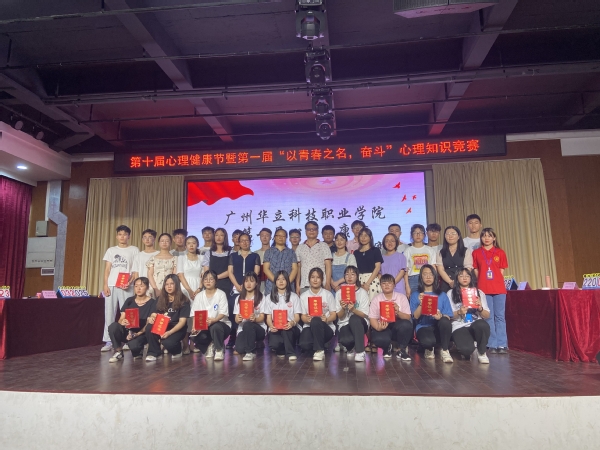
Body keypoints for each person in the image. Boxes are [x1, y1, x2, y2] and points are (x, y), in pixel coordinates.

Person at [101, 225, 139, 352]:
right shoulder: (111, 250)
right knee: (109, 312)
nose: (122, 237)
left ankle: (129, 339)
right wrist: (105, 285)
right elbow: (107, 269)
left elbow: (135, 270)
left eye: (125, 234)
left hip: (127, 286)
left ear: (129, 236)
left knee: (129, 313)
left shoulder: (134, 250)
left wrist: (130, 282)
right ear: (117, 236)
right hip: (112, 285)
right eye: (120, 234)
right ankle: (108, 340)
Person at [472, 227, 509, 354]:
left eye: (489, 236)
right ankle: (492, 343)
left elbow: (501, 271)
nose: (486, 238)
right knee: (488, 316)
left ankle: (502, 344)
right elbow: (476, 270)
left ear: (494, 238)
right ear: (481, 238)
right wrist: (483, 281)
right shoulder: (476, 252)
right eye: (484, 236)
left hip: (499, 288)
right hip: (484, 288)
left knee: (500, 316)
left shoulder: (500, 252)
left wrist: (495, 281)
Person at [409, 265, 454, 363]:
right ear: (421, 277)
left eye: (431, 274)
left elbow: (448, 316)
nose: (428, 277)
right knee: (428, 342)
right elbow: (415, 316)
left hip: (438, 327)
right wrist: (421, 304)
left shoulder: (442, 295)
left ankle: (445, 350)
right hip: (423, 327)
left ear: (435, 277)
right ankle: (429, 348)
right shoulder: (415, 295)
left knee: (445, 321)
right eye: (425, 274)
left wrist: (440, 316)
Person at [107, 277, 157, 362]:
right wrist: (122, 322)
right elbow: (121, 319)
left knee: (134, 346)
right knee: (113, 326)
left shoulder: (153, 302)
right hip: (129, 332)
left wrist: (137, 334)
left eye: (141, 286)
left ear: (147, 287)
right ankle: (119, 351)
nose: (138, 288)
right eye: (136, 286)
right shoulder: (129, 300)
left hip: (142, 333)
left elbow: (150, 323)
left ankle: (139, 350)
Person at [448, 268, 491, 363]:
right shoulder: (451, 293)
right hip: (459, 325)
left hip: (475, 324)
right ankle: (466, 344)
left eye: (467, 276)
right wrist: (459, 312)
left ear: (471, 278)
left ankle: (482, 352)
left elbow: (487, 315)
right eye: (461, 276)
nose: (465, 278)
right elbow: (449, 315)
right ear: (457, 278)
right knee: (466, 350)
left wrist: (480, 308)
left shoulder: (479, 293)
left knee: (482, 325)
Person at [202, 228, 235, 348]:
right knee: (211, 311)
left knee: (227, 311)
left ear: (225, 237)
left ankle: (231, 337)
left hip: (226, 284)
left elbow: (230, 270)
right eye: (217, 235)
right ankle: (212, 339)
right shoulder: (208, 253)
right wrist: (211, 280)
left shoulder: (230, 252)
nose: (219, 237)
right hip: (211, 285)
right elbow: (206, 271)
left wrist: (216, 277)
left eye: (222, 235)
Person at [144, 274, 190, 361]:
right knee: (149, 327)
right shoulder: (160, 299)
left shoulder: (184, 300)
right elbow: (154, 313)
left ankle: (177, 351)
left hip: (176, 328)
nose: (169, 286)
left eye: (172, 284)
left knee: (168, 343)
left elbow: (182, 322)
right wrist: (152, 318)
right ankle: (154, 353)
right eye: (166, 284)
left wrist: (169, 332)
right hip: (162, 326)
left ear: (177, 284)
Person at [369, 274, 413, 361]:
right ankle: (387, 347)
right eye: (384, 283)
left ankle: (401, 349)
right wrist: (378, 328)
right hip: (383, 327)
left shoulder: (401, 297)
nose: (386, 285)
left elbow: (407, 317)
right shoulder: (376, 299)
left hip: (397, 327)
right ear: (380, 285)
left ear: (394, 285)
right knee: (379, 339)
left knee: (406, 324)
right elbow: (372, 318)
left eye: (389, 283)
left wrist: (398, 312)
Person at [190, 270, 231, 361]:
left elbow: (223, 313)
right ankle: (209, 345)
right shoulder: (199, 296)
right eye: (205, 279)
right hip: (204, 326)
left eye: (211, 279)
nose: (208, 281)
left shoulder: (221, 294)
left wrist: (214, 320)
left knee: (215, 326)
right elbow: (194, 313)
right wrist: (194, 327)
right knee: (194, 335)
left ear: (216, 281)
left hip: (221, 325)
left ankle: (219, 349)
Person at [299, 268, 338, 361]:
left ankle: (319, 350)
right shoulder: (303, 296)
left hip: (326, 328)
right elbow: (302, 316)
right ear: (309, 279)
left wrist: (327, 319)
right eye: (313, 277)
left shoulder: (328, 294)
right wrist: (307, 319)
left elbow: (334, 315)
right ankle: (321, 343)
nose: (315, 280)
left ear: (322, 279)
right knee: (304, 345)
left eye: (318, 277)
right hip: (309, 327)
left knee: (316, 320)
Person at [263, 270, 301, 360]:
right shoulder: (268, 298)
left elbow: (297, 316)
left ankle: (290, 353)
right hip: (275, 327)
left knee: (285, 330)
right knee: (274, 344)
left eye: (283, 279)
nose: (281, 281)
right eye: (278, 279)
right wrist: (271, 326)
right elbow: (268, 318)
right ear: (275, 282)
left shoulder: (294, 297)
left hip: (291, 327)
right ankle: (282, 349)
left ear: (287, 281)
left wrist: (292, 323)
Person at [335, 266, 369, 362]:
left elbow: (364, 314)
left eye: (352, 274)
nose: (349, 277)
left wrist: (353, 310)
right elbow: (339, 316)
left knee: (354, 318)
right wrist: (343, 308)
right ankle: (350, 347)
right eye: (347, 274)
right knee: (345, 340)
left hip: (360, 322)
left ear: (357, 276)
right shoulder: (339, 293)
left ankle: (360, 352)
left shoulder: (362, 292)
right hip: (344, 323)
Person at [177, 235, 203, 354]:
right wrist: (189, 290)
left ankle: (193, 344)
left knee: (196, 316)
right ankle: (185, 344)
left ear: (197, 244)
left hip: (199, 288)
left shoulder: (202, 257)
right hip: (185, 289)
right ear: (185, 245)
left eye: (194, 243)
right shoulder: (181, 258)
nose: (191, 245)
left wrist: (199, 288)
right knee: (186, 316)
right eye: (188, 243)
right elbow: (180, 275)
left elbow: (204, 275)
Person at [233, 272, 266, 361]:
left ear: (256, 283)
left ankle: (250, 352)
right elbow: (236, 319)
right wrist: (238, 319)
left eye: (251, 281)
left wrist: (255, 319)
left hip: (258, 328)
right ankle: (255, 344)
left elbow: (262, 317)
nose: (248, 284)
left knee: (248, 324)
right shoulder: (239, 298)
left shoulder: (261, 297)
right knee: (239, 349)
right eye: (246, 281)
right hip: (243, 329)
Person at [295, 221, 332, 295]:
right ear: (305, 231)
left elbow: (328, 266)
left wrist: (327, 283)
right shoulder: (300, 247)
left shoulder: (324, 246)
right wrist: (297, 285)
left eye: (314, 229)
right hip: (304, 285)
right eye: (309, 229)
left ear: (317, 231)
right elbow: (298, 268)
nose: (311, 231)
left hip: (321, 284)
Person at [436, 226, 473, 293]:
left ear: (458, 236)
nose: (450, 236)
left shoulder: (465, 251)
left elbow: (468, 267)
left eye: (453, 233)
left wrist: (460, 281)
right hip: (446, 282)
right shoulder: (440, 252)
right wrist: (450, 282)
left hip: (463, 282)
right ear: (445, 237)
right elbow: (440, 270)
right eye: (447, 234)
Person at [403, 224, 437, 297]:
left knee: (428, 300)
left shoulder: (430, 250)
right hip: (413, 279)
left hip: (428, 277)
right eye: (415, 232)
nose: (418, 235)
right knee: (415, 300)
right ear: (412, 235)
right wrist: (407, 286)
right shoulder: (408, 251)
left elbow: (433, 267)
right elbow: (405, 271)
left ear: (424, 235)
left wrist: (434, 281)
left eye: (420, 232)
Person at [263, 228, 298, 295]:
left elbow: (295, 269)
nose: (280, 237)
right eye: (278, 235)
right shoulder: (268, 252)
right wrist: (277, 282)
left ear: (286, 238)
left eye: (283, 236)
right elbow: (266, 269)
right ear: (274, 237)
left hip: (288, 286)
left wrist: (287, 283)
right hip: (272, 286)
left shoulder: (291, 252)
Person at [354, 227, 383, 300]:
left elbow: (377, 267)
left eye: (366, 235)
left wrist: (367, 283)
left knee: (373, 303)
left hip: (372, 279)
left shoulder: (375, 250)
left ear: (370, 237)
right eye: (361, 235)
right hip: (359, 280)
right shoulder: (356, 253)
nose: (363, 238)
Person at [131, 229, 159, 294]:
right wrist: (138, 286)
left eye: (150, 237)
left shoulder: (158, 254)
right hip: (142, 286)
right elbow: (136, 273)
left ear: (154, 239)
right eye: (145, 237)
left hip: (156, 285)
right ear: (142, 240)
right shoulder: (138, 255)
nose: (147, 239)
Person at [254, 227, 272, 294]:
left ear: (270, 237)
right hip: (259, 282)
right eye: (262, 235)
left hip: (271, 281)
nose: (264, 238)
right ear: (260, 237)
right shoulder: (255, 253)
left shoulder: (274, 252)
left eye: (267, 235)